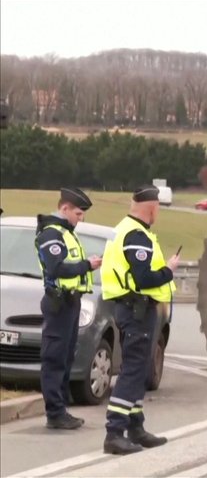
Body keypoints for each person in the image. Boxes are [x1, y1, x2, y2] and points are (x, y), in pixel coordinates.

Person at [100, 185, 178, 454]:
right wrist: (168, 270)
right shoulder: (137, 234)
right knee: (133, 371)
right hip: (137, 310)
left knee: (138, 368)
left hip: (129, 308)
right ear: (153, 207)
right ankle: (114, 432)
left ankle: (135, 428)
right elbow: (144, 279)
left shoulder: (122, 229)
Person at [34, 187, 102, 430]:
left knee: (65, 357)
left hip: (71, 303)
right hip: (59, 303)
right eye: (78, 213)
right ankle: (55, 412)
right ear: (64, 208)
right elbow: (56, 268)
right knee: (54, 358)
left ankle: (61, 409)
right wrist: (87, 265)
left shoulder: (66, 232)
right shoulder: (52, 234)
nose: (80, 218)